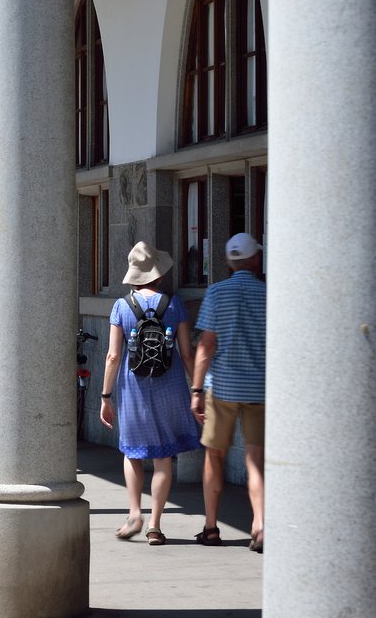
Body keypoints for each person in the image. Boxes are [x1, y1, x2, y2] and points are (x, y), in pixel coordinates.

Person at [99, 242, 200, 546]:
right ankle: (155, 525)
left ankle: (134, 513)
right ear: (159, 274)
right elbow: (186, 353)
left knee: (132, 453)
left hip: (134, 389)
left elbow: (113, 356)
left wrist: (105, 396)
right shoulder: (175, 305)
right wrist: (197, 388)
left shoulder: (121, 306)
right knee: (163, 457)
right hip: (170, 387)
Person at [191, 232, 267, 553]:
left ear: (228, 261)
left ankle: (211, 526)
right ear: (256, 258)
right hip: (259, 388)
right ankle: (260, 524)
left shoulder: (216, 292)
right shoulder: (269, 294)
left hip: (221, 386)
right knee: (255, 459)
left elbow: (206, 344)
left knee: (214, 455)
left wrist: (196, 389)